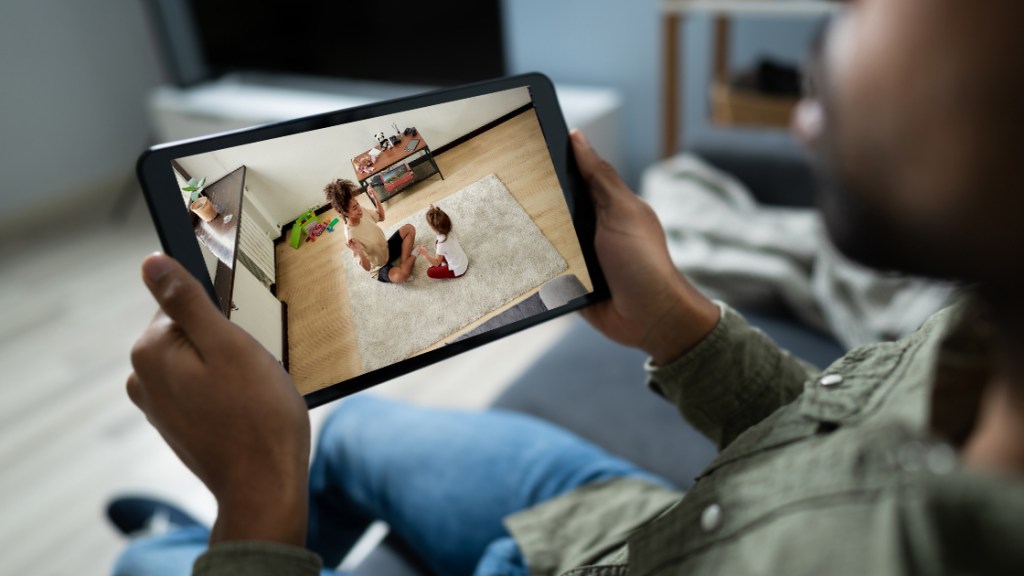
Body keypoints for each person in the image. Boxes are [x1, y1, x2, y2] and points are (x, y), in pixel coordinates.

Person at [111, 1, 1024, 574]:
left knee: (147, 564)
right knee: (347, 432)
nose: (830, 31)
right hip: (623, 523)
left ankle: (180, 539)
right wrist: (682, 324)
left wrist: (257, 506)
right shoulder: (982, 347)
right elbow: (846, 440)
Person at [325, 178, 416, 284]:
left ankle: (404, 264)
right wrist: (359, 251)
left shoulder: (362, 211)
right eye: (354, 208)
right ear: (346, 213)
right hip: (379, 267)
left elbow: (381, 217)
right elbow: (367, 268)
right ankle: (410, 261)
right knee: (400, 276)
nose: (359, 209)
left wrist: (376, 198)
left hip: (386, 249)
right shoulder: (351, 236)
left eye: (357, 204)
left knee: (409, 229)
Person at [416, 204, 469, 279]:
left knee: (430, 272)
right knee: (437, 244)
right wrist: (433, 211)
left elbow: (436, 263)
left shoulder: (441, 244)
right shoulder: (449, 229)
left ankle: (443, 267)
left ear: (433, 228)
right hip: (463, 260)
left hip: (458, 270)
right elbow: (441, 218)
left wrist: (425, 254)